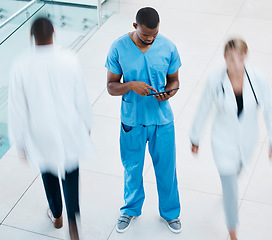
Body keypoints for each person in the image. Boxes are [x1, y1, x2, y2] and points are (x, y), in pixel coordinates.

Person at [8, 17, 94, 240]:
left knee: (48, 172)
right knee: (71, 173)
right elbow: (81, 96)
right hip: (68, 127)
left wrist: (19, 142)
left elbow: (17, 108)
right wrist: (86, 123)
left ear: (31, 36)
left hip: (40, 131)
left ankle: (56, 216)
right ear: (54, 32)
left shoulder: (20, 64)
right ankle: (73, 222)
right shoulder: (69, 59)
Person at [190, 39, 272, 240]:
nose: (236, 63)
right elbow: (204, 107)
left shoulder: (258, 78)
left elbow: (270, 110)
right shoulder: (216, 79)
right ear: (225, 58)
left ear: (245, 57)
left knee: (235, 173)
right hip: (222, 140)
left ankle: (228, 186)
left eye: (240, 58)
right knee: (230, 187)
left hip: (247, 141)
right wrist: (195, 136)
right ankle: (233, 234)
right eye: (231, 59)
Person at [105, 7, 182, 233]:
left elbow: (174, 80)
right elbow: (110, 86)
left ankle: (171, 213)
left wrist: (169, 92)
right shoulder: (118, 48)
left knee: (167, 169)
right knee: (132, 168)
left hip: (162, 121)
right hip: (133, 121)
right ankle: (130, 209)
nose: (150, 39)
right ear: (135, 26)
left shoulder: (168, 47)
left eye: (154, 35)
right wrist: (130, 85)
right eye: (146, 35)